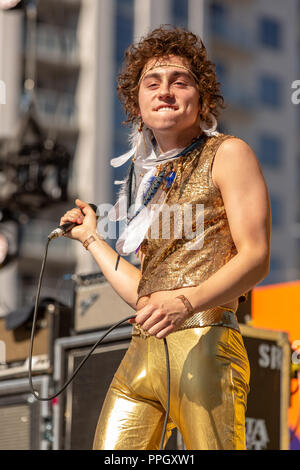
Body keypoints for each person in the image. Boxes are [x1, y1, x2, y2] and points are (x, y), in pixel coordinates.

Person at [59, 26, 271, 450]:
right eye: (152, 83)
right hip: (143, 354)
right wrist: (92, 240)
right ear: (136, 103)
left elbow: (257, 257)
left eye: (180, 81)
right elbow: (145, 294)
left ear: (202, 96)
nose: (165, 91)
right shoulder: (147, 180)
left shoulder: (228, 153)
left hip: (205, 344)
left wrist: (187, 301)